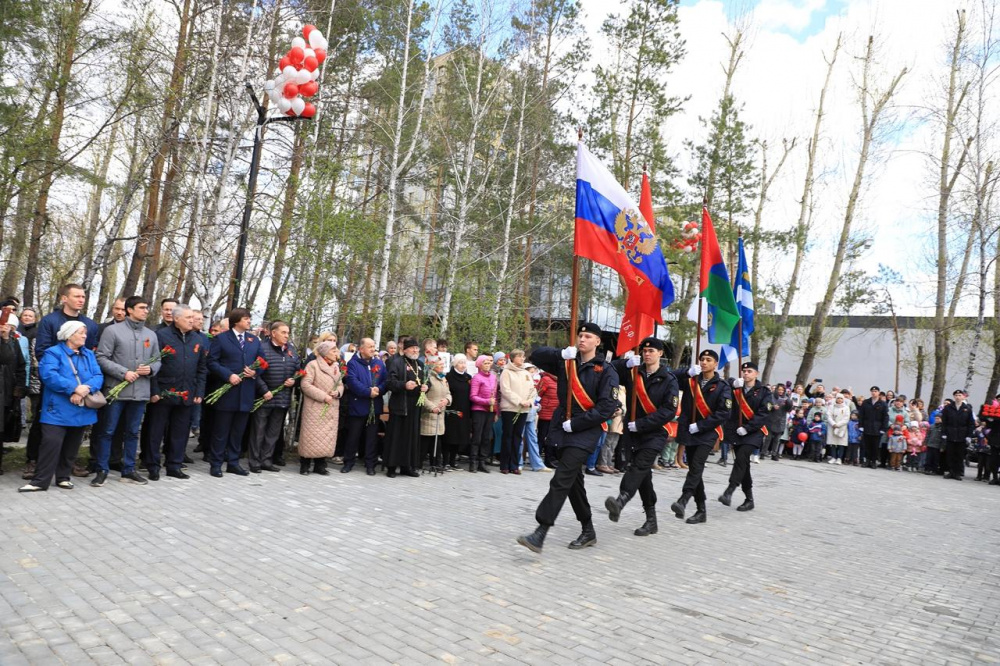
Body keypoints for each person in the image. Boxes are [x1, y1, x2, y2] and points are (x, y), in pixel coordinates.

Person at [517, 323, 619, 553]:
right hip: (562, 427)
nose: (582, 339)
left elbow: (606, 407)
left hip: (586, 429)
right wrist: (561, 353)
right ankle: (588, 530)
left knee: (561, 478)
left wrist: (577, 423)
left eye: (588, 336)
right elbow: (536, 355)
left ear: (597, 342)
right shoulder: (567, 360)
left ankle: (540, 532)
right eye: (580, 335)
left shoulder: (606, 370)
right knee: (574, 483)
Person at [604, 336, 678, 536]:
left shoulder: (668, 379)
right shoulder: (634, 372)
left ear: (660, 354)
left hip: (654, 433)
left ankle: (621, 500)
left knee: (639, 467)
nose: (647, 354)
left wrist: (642, 424)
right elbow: (609, 370)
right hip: (632, 432)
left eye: (651, 351)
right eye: (644, 351)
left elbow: (668, 410)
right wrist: (626, 362)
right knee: (644, 476)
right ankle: (651, 521)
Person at [26, 284, 99, 478]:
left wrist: (82, 387)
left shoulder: (90, 325)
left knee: (76, 423)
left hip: (81, 386)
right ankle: (34, 461)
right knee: (44, 423)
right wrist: (68, 384)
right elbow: (41, 351)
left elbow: (87, 353)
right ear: (64, 298)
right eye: (77, 296)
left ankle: (67, 464)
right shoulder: (50, 321)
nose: (81, 300)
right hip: (55, 382)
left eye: (83, 296)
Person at [19, 321, 102, 492]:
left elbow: (98, 375)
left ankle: (63, 477)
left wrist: (85, 389)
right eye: (81, 333)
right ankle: (39, 481)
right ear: (69, 335)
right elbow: (49, 376)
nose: (85, 336)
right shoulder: (53, 353)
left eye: (85, 333)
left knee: (72, 445)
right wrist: (73, 388)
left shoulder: (88, 354)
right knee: (51, 444)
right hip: (57, 408)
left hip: (80, 407)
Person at [91, 295, 160, 487]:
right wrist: (123, 373)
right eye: (142, 307)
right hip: (116, 391)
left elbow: (157, 359)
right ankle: (102, 469)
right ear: (130, 310)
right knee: (108, 431)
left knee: (132, 432)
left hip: (140, 392)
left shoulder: (151, 334)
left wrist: (152, 369)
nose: (146, 311)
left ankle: (129, 470)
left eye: (147, 307)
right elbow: (101, 357)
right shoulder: (112, 331)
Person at [669, 349, 732, 525]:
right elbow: (669, 377)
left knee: (696, 466)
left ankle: (683, 499)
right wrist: (686, 372)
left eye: (708, 360)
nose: (704, 362)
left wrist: (701, 425)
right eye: (702, 359)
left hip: (707, 432)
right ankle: (701, 510)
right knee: (695, 471)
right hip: (689, 430)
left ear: (715, 364)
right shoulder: (691, 380)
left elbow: (723, 413)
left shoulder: (722, 386)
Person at [145, 303, 207, 480]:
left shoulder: (197, 339)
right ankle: (153, 465)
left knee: (180, 433)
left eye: (192, 318)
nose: (192, 321)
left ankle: (174, 465)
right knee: (155, 431)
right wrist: (154, 390)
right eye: (188, 318)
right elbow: (153, 363)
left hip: (187, 393)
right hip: (164, 392)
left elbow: (202, 368)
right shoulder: (162, 336)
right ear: (177, 318)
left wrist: (199, 392)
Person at [206, 308, 261, 478]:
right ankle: (216, 464)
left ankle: (233, 462)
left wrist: (255, 372)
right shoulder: (221, 338)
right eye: (246, 319)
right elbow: (212, 362)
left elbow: (262, 361)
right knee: (221, 431)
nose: (249, 322)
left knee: (238, 431)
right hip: (226, 393)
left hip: (245, 393)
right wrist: (228, 375)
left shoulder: (253, 340)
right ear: (236, 321)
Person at [718, 361, 772, 512]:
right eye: (744, 371)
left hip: (754, 432)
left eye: (749, 371)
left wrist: (748, 428)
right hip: (737, 431)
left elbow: (763, 414)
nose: (746, 374)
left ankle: (729, 490)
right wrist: (732, 383)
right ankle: (749, 499)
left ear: (756, 373)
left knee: (742, 458)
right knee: (744, 466)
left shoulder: (764, 392)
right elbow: (722, 388)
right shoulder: (737, 388)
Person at [250, 321, 300, 473]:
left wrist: (294, 380)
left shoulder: (291, 350)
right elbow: (254, 373)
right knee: (258, 432)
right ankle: (255, 462)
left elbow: (298, 370)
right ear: (273, 333)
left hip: (282, 398)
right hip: (264, 397)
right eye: (283, 332)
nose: (287, 336)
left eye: (288, 333)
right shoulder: (262, 348)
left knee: (273, 433)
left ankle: (266, 460)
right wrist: (264, 390)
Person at [341, 337, 387, 475]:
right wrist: (368, 392)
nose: (373, 349)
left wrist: (379, 390)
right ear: (361, 349)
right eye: (370, 347)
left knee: (372, 437)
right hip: (358, 406)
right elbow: (352, 381)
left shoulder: (379, 363)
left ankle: (370, 464)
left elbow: (385, 380)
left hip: (375, 406)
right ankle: (348, 462)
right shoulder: (353, 363)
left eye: (374, 346)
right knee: (353, 436)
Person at [298, 340, 344, 475]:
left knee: (325, 437)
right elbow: (305, 385)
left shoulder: (336, 366)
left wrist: (338, 392)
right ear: (325, 352)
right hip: (315, 407)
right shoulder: (313, 365)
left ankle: (320, 465)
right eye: (333, 350)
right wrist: (323, 396)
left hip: (331, 407)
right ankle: (305, 465)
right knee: (311, 436)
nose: (337, 353)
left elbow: (340, 384)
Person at [384, 338, 425, 477]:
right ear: (405, 349)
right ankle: (391, 467)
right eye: (412, 348)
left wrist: (427, 386)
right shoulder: (397, 362)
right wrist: (404, 385)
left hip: (415, 406)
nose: (415, 351)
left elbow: (425, 381)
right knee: (397, 437)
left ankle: (406, 466)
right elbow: (390, 383)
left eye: (417, 348)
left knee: (411, 437)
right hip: (401, 404)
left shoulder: (420, 364)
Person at [498, 349, 536, 474]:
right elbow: (505, 390)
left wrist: (529, 401)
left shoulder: (526, 373)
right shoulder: (506, 372)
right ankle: (505, 464)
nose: (522, 359)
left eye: (523, 357)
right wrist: (519, 401)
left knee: (518, 437)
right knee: (508, 435)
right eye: (519, 357)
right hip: (510, 408)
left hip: (524, 409)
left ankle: (514, 465)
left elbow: (533, 390)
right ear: (513, 358)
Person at [420, 355, 451, 470]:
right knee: (426, 440)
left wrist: (447, 400)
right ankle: (418, 463)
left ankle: (437, 463)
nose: (442, 367)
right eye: (440, 365)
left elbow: (448, 393)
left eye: (443, 365)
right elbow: (422, 397)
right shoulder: (427, 378)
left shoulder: (443, 378)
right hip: (429, 415)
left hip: (440, 414)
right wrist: (432, 407)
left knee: (437, 441)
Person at [469, 354, 498, 473]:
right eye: (485, 363)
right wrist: (486, 401)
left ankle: (482, 461)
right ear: (479, 365)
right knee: (477, 436)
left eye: (488, 363)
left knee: (487, 437)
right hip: (479, 410)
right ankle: (473, 461)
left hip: (491, 411)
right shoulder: (476, 378)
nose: (487, 365)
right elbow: (473, 396)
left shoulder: (493, 377)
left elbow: (495, 395)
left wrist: (496, 411)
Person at [443, 354, 471, 470]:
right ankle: (445, 461)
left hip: (464, 410)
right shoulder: (448, 377)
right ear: (455, 364)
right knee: (449, 436)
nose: (463, 365)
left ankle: (453, 460)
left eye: (464, 363)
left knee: (459, 436)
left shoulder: (468, 378)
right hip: (451, 410)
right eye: (460, 362)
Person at [941, 389, 975, 481]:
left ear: (963, 397)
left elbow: (970, 423)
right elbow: (944, 422)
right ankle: (951, 471)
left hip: (962, 435)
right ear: (954, 397)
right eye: (956, 395)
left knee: (959, 455)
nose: (958, 397)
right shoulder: (948, 408)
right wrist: (944, 433)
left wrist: (969, 435)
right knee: (950, 454)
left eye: (960, 395)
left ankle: (957, 473)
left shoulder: (967, 409)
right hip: (950, 434)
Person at [858, 386, 888, 469]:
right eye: (872, 391)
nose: (873, 392)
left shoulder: (883, 404)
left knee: (875, 446)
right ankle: (867, 460)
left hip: (877, 428)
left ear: (879, 392)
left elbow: (885, 417)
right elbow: (861, 415)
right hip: (867, 426)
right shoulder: (866, 402)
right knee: (867, 445)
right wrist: (861, 425)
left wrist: (883, 428)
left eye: (875, 391)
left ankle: (873, 461)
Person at [537, 369, 558, 468]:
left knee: (551, 438)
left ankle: (549, 460)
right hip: (545, 412)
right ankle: (537, 459)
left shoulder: (561, 380)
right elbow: (538, 394)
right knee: (542, 437)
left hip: (555, 414)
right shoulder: (545, 379)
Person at [826, 393, 851, 465]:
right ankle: (833, 457)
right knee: (833, 443)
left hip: (841, 427)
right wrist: (833, 424)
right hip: (832, 426)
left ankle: (839, 458)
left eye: (841, 398)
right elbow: (829, 416)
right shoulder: (831, 407)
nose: (839, 400)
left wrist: (838, 424)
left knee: (841, 443)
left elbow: (846, 418)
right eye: (838, 398)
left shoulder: (846, 407)